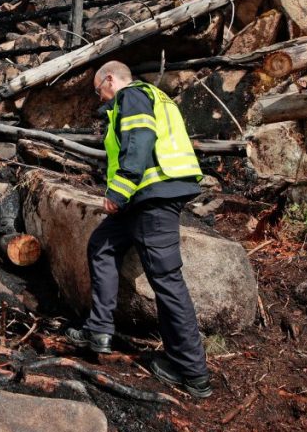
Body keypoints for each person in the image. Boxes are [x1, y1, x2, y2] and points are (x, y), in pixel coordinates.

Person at [66, 61, 213, 398]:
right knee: (102, 245)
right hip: (144, 197)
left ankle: (192, 371)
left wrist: (120, 188)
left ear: (109, 80)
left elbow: (141, 140)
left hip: (152, 195)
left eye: (98, 90)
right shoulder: (156, 97)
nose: (99, 98)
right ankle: (99, 330)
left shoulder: (131, 96)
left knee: (167, 281)